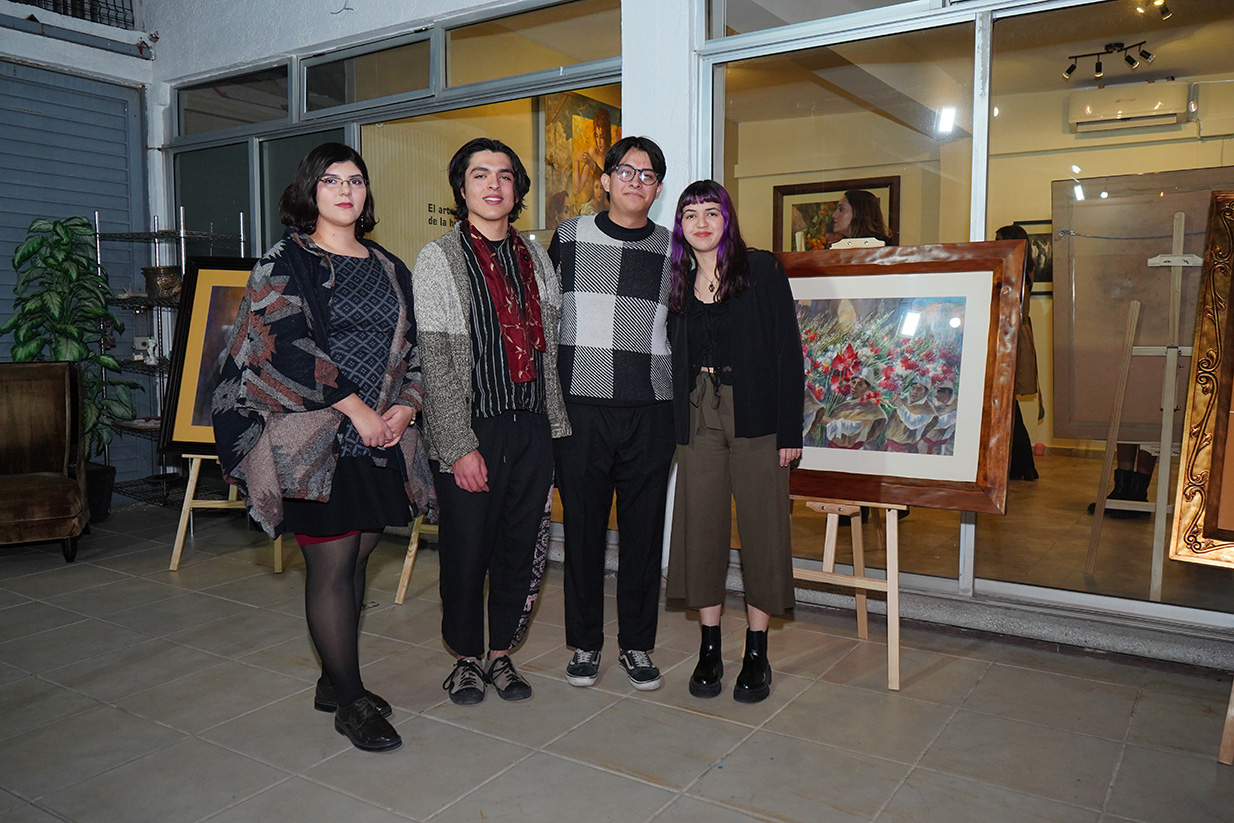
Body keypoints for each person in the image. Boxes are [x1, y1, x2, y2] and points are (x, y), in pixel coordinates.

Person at [213, 142, 435, 753]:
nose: (345, 190)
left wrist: (406, 406)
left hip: (379, 437)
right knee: (332, 567)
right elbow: (282, 345)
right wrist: (357, 410)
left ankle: (333, 682)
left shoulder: (389, 265)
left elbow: (417, 344)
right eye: (331, 180)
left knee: (359, 558)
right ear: (310, 191)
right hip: (315, 441)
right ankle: (351, 703)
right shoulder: (285, 260)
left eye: (355, 180)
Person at [413, 137, 570, 705]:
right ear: (462, 188)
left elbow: (551, 348)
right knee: (466, 549)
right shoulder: (439, 258)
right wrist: (457, 446)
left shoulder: (536, 258)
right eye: (480, 175)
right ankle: (464, 658)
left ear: (517, 189)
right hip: (472, 426)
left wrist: (553, 432)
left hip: (531, 425)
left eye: (504, 175)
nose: (493, 185)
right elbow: (435, 358)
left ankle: (501, 653)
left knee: (520, 546)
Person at [665, 179, 804, 703]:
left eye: (711, 212)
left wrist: (790, 429)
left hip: (757, 415)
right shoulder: (676, 280)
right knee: (700, 527)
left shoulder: (762, 269)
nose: (701, 223)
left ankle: (756, 651)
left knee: (762, 530)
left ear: (727, 220)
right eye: (690, 214)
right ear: (680, 226)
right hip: (697, 414)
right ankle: (708, 649)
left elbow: (788, 350)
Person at [549, 136, 675, 691]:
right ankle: (585, 643)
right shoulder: (569, 236)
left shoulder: (672, 248)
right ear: (605, 180)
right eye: (625, 171)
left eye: (647, 175)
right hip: (581, 407)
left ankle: (636, 645)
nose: (635, 182)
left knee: (644, 535)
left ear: (658, 188)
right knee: (582, 532)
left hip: (651, 409)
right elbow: (545, 316)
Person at [996, 224, 1040, 481]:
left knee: (1007, 404)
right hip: (1011, 335)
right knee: (1008, 404)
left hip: (1008, 337)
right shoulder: (1023, 269)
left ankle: (1021, 465)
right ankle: (1021, 465)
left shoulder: (1015, 270)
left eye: (999, 240)